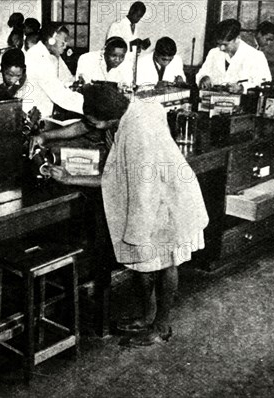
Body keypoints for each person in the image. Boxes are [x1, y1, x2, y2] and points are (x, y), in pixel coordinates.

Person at [48, 84, 209, 346]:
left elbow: (130, 184)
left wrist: (138, 232)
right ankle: (148, 317)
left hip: (165, 200)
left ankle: (160, 327)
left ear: (105, 118)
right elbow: (89, 127)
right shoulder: (129, 109)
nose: (90, 123)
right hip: (158, 194)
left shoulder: (138, 133)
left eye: (92, 119)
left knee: (166, 261)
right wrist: (49, 138)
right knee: (144, 264)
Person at [24, 23, 83, 116]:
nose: (65, 46)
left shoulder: (53, 55)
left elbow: (67, 78)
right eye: (63, 42)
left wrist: (76, 85)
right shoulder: (38, 57)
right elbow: (58, 94)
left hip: (46, 110)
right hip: (33, 113)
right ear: (50, 41)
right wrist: (89, 106)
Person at [197, 19, 271, 93]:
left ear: (237, 38)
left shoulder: (256, 56)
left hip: (243, 102)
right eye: (219, 44)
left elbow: (265, 85)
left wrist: (242, 88)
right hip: (213, 100)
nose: (221, 48)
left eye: (225, 44)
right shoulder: (213, 53)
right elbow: (201, 73)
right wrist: (203, 78)